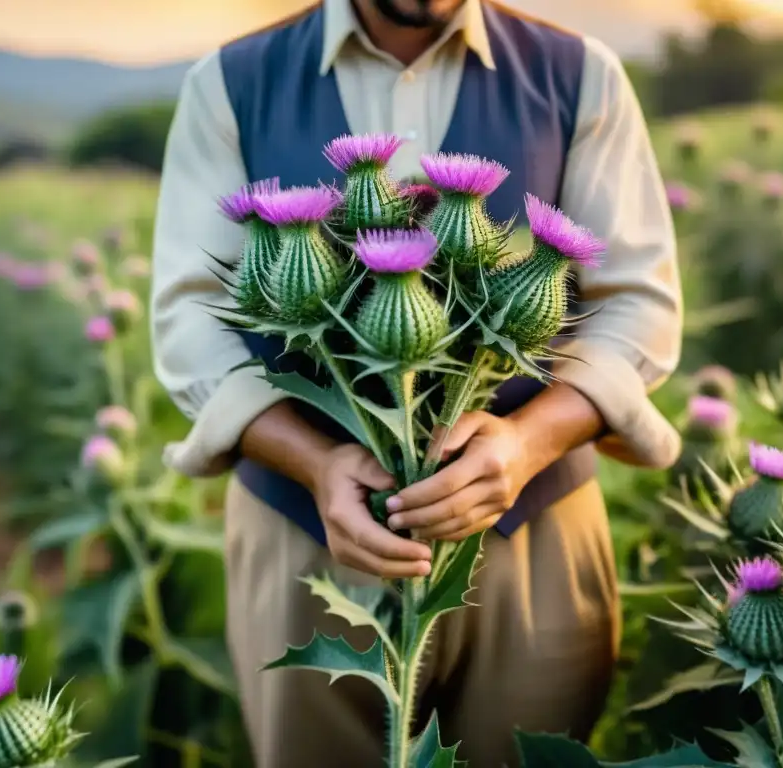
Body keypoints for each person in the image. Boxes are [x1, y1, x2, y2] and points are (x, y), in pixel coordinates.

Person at [151, 1, 683, 765]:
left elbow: (637, 303)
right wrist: (314, 462)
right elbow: (188, 321)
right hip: (304, 535)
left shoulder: (582, 74)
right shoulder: (230, 83)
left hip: (534, 527)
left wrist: (529, 443)